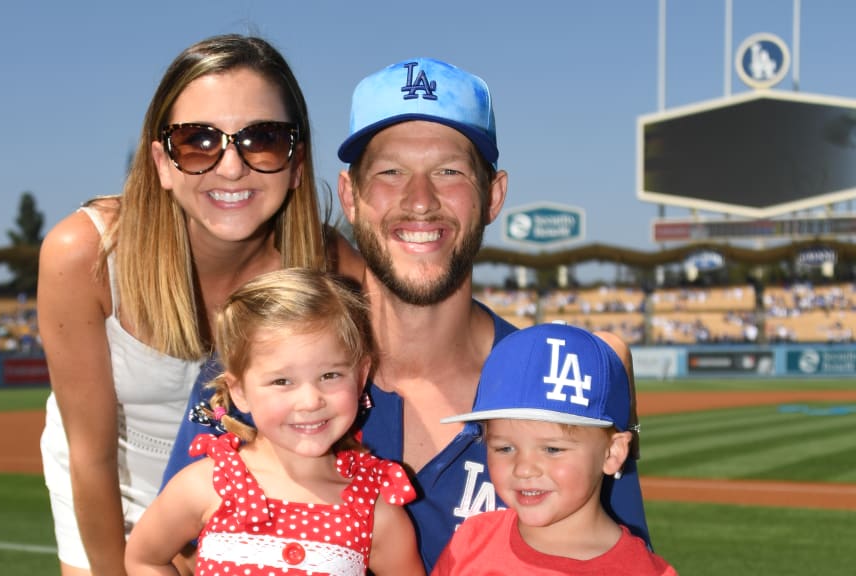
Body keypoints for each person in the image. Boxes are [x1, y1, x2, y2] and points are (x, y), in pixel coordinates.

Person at [163, 56, 650, 571]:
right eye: (391, 173)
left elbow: (621, 559)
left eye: (449, 172)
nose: (420, 201)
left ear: (493, 196)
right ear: (350, 197)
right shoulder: (263, 364)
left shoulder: (563, 384)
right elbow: (172, 553)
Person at [37, 35, 361, 576]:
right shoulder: (86, 254)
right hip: (113, 479)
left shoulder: (329, 265)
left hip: (256, 478)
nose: (231, 167)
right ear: (162, 161)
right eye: (198, 141)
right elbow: (90, 458)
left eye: (262, 139)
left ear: (296, 161)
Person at [125, 268, 424, 576]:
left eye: (330, 375)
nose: (310, 401)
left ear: (361, 377)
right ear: (239, 391)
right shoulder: (204, 485)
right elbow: (144, 558)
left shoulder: (378, 514)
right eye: (282, 381)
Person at [431, 323, 676, 575]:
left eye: (552, 449)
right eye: (504, 448)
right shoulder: (469, 541)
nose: (524, 469)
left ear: (612, 452)